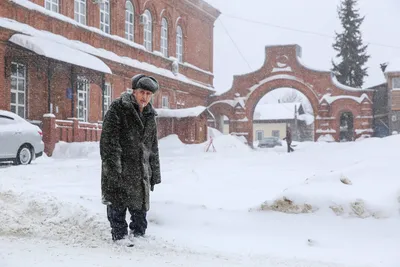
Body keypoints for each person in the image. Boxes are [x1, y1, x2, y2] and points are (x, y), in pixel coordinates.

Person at [100, 74, 161, 246]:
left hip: (140, 169)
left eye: (149, 94)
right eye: (142, 92)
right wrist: (114, 169)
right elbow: (109, 143)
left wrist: (154, 173)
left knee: (139, 206)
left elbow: (153, 147)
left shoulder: (150, 114)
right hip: (120, 167)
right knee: (117, 204)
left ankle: (138, 234)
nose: (145, 97)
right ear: (134, 91)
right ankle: (119, 236)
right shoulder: (118, 109)